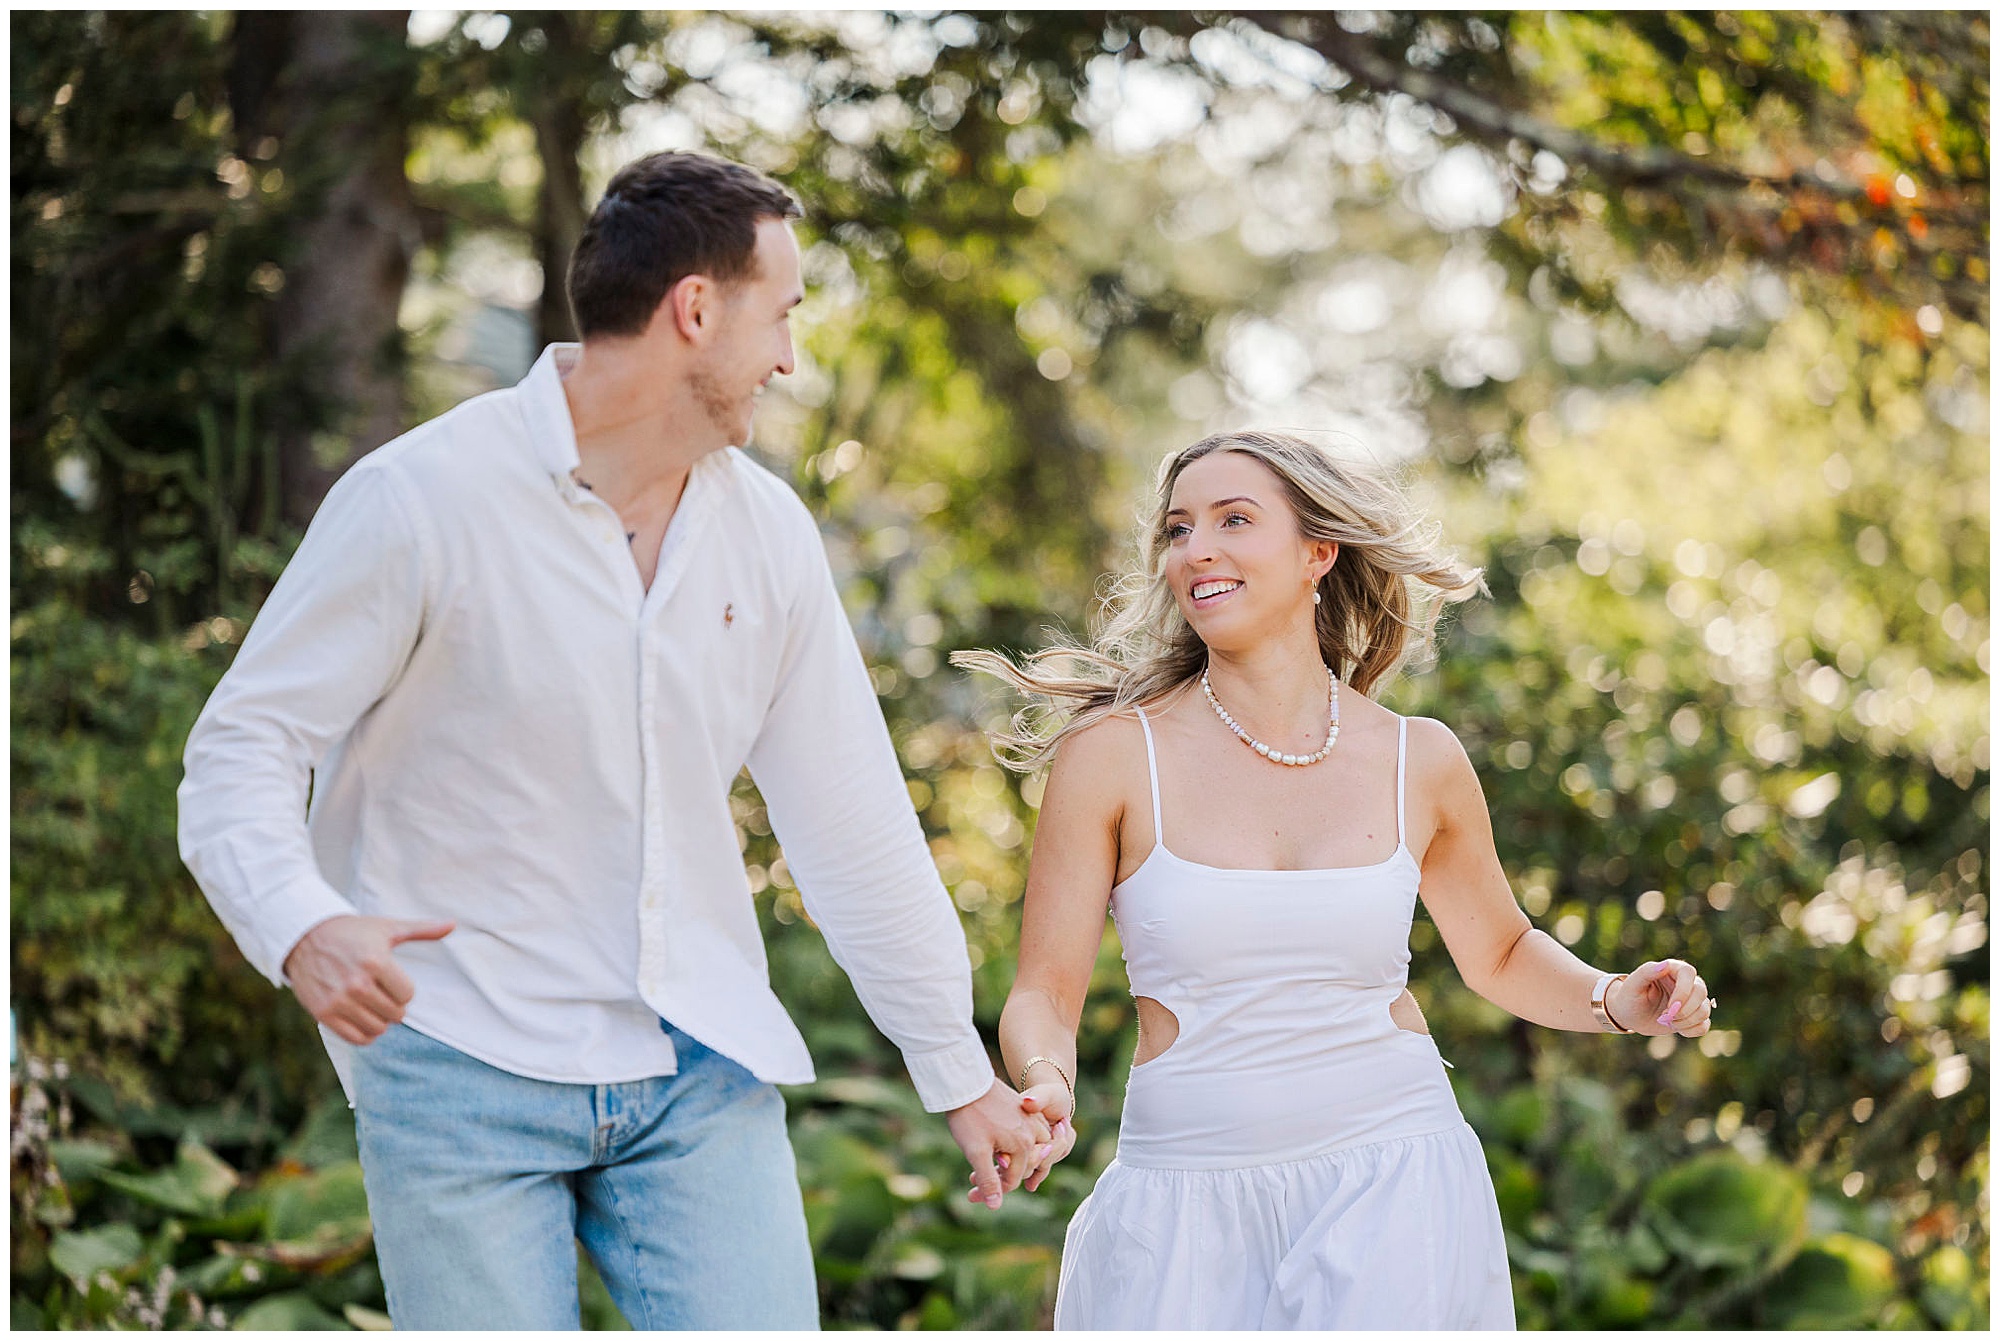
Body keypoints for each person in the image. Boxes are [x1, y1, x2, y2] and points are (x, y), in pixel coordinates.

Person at [177, 150, 1051, 1330]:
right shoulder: (421, 500)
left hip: (696, 1067)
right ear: (695, 309)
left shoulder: (767, 536)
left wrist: (956, 1072)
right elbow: (243, 748)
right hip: (456, 1059)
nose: (788, 359)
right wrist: (297, 924)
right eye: (779, 317)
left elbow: (850, 824)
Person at [955, 430, 1718, 1330]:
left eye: (1234, 519)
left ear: (1319, 551)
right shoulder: (1115, 754)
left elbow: (1503, 951)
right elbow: (1044, 991)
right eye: (1178, 528)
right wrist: (1047, 1080)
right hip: (1186, 1203)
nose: (1197, 548)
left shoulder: (1418, 758)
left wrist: (1615, 998)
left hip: (1396, 1183)